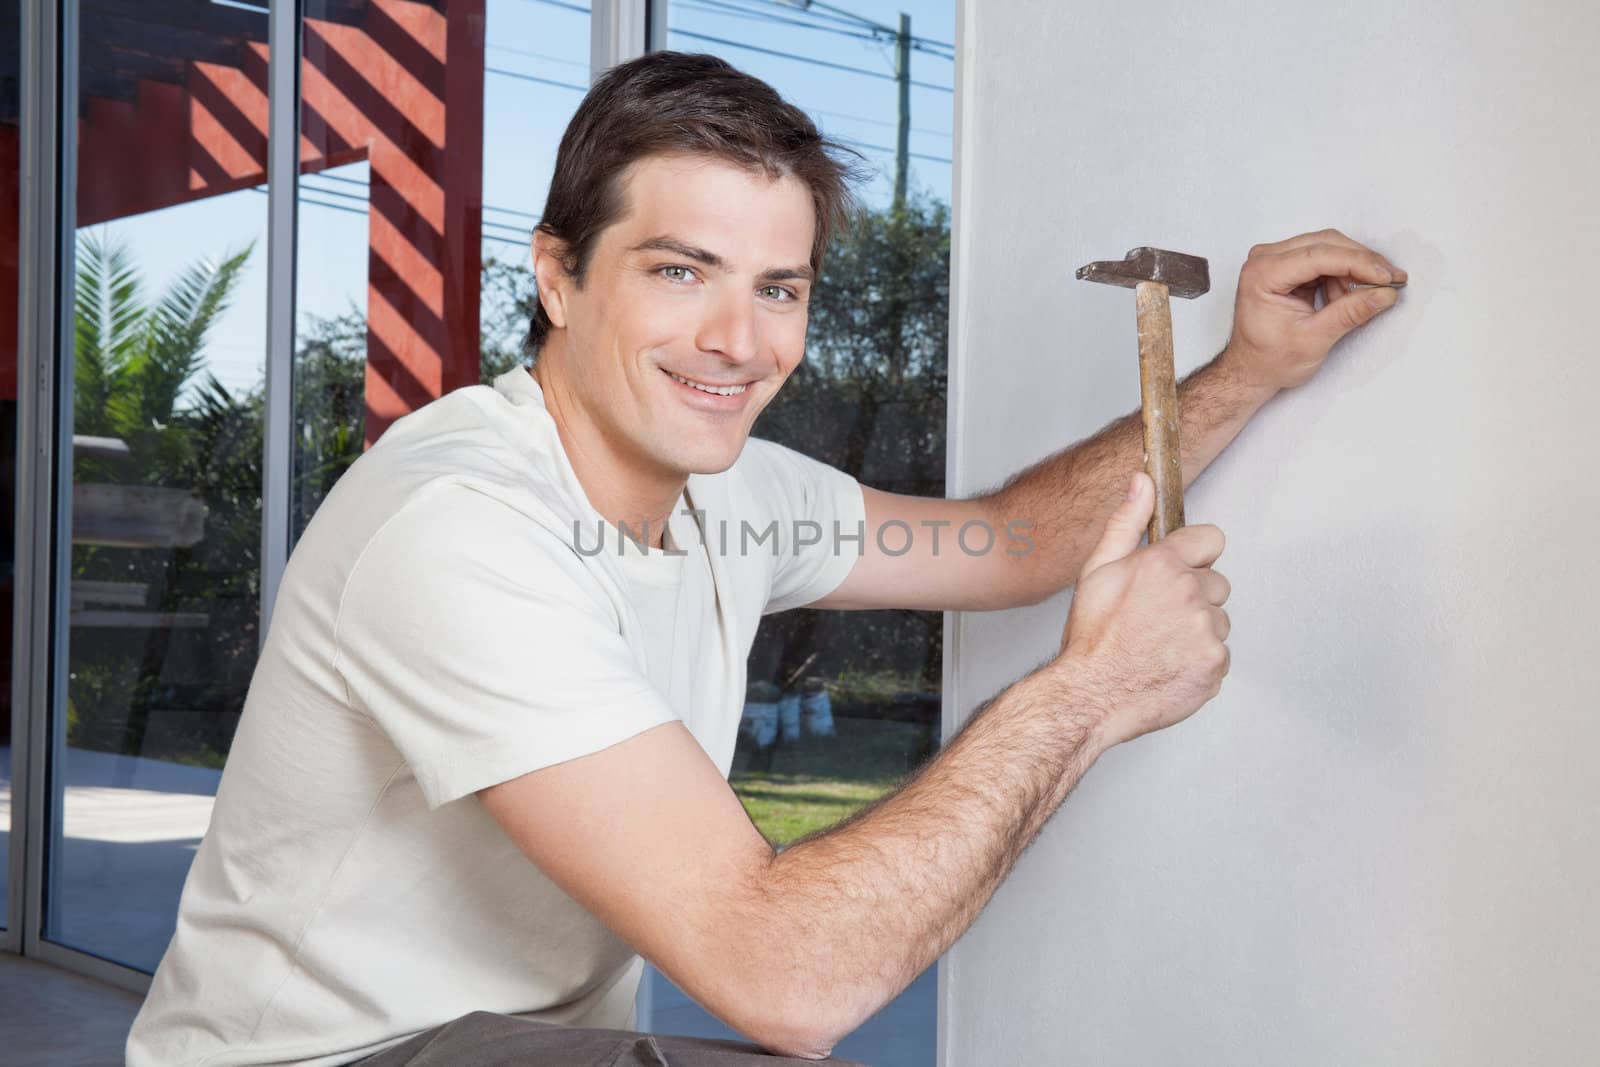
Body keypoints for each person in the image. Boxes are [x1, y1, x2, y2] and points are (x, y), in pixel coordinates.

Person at [126, 50, 1406, 1067]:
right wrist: (1091, 689)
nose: (737, 339)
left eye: (779, 287)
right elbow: (790, 979)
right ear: (560, 276)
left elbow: (1012, 544)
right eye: (680, 270)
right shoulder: (463, 524)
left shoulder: (733, 487)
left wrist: (1244, 371)